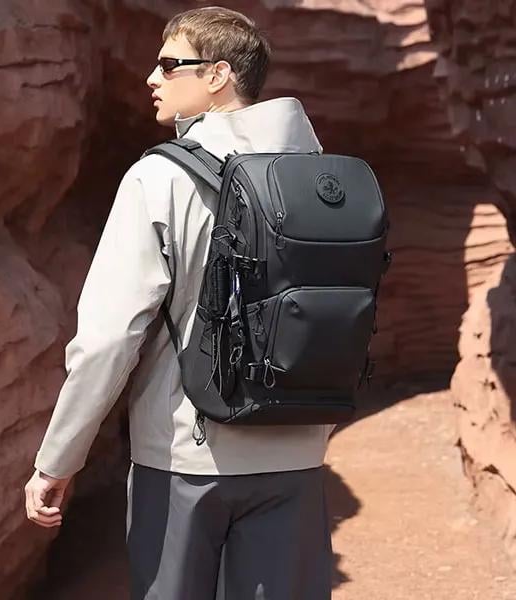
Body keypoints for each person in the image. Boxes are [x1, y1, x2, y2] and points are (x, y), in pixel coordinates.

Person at [24, 7, 335, 599]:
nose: (152, 78)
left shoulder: (159, 179)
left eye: (169, 64)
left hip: (186, 455)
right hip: (296, 448)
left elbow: (107, 339)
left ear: (218, 74)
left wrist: (58, 460)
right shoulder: (321, 178)